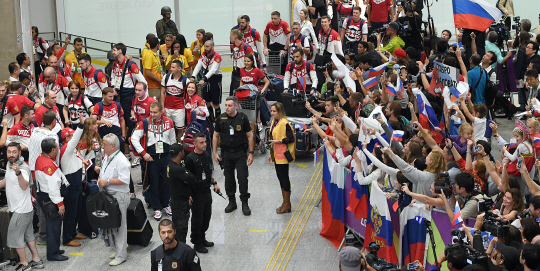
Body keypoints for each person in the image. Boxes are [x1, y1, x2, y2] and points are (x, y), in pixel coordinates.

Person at [0, 142, 44, 271]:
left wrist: (18, 173)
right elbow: (6, 180)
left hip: (21, 210)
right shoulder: (10, 166)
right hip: (22, 209)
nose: (11, 154)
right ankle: (37, 260)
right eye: (9, 152)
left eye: (14, 152)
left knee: (14, 237)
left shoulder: (22, 168)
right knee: (28, 236)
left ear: (20, 153)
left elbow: (25, 186)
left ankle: (24, 264)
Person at [131, 102, 176, 220]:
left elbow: (173, 141)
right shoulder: (145, 122)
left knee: (167, 182)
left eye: (155, 112)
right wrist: (143, 153)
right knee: (154, 183)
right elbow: (134, 139)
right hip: (152, 157)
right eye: (151, 112)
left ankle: (166, 204)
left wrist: (174, 158)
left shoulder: (169, 122)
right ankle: (156, 208)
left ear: (161, 112)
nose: (152, 114)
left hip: (166, 156)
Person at [212, 96, 254, 216]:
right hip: (226, 154)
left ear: (236, 106)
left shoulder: (242, 118)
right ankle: (232, 202)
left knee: (242, 178)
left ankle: (245, 203)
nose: (227, 107)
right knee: (229, 179)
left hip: (240, 153)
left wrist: (251, 153)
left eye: (230, 105)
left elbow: (250, 136)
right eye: (226, 105)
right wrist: (214, 153)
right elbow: (215, 136)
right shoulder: (221, 118)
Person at [97, 133, 131, 266]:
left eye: (104, 144)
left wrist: (108, 181)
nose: (102, 146)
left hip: (119, 197)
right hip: (109, 195)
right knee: (112, 224)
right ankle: (117, 248)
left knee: (120, 226)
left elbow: (124, 179)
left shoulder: (121, 160)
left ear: (112, 146)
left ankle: (121, 255)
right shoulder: (108, 156)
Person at [184, 133, 220, 253]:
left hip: (206, 191)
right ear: (194, 143)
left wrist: (214, 183)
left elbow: (208, 171)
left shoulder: (206, 155)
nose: (204, 144)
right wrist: (188, 195)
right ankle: (197, 242)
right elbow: (185, 178)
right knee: (197, 219)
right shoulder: (190, 159)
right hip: (196, 193)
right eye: (201, 142)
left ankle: (202, 237)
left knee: (206, 216)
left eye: (205, 142)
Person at [111, 42, 147, 154]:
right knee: (120, 121)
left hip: (129, 94)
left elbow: (143, 81)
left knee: (129, 123)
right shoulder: (115, 64)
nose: (113, 52)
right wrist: (113, 88)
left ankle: (136, 150)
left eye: (115, 50)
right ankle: (125, 152)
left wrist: (143, 97)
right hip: (118, 94)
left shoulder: (131, 65)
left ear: (120, 51)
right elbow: (113, 77)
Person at [35, 138, 68, 261]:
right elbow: (53, 187)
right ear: (53, 150)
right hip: (50, 197)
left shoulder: (41, 158)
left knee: (53, 224)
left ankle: (54, 248)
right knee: (54, 226)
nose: (59, 148)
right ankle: (53, 254)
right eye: (57, 146)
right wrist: (60, 204)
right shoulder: (48, 165)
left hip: (44, 195)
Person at [59, 115, 86, 247]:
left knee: (76, 209)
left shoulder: (71, 149)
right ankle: (67, 238)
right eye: (72, 136)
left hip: (76, 181)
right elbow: (76, 138)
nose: (75, 138)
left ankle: (73, 232)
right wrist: (81, 125)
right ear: (67, 138)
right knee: (70, 211)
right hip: (70, 182)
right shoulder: (66, 148)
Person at [267, 102, 295, 214]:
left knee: (284, 178)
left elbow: (291, 139)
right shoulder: (275, 121)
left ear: (280, 112)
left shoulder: (284, 123)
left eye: (275, 111)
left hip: (283, 155)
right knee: (280, 178)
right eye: (271, 111)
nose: (272, 113)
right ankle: (285, 202)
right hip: (277, 155)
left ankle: (287, 203)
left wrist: (278, 141)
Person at [167, 142, 197, 243]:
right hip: (180, 205)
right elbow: (192, 178)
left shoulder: (172, 165)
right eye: (183, 150)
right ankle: (180, 254)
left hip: (178, 201)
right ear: (180, 153)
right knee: (181, 231)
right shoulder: (177, 169)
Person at [191, 40, 223, 122]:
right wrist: (193, 76)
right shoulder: (203, 55)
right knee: (207, 101)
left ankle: (218, 121)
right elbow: (198, 65)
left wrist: (204, 78)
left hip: (215, 78)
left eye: (207, 46)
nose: (205, 48)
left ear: (212, 47)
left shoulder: (217, 56)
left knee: (216, 103)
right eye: (205, 46)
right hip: (205, 78)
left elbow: (213, 70)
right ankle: (211, 120)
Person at [92, 87, 127, 155]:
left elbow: (122, 120)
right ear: (104, 96)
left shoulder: (118, 105)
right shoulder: (98, 106)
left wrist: (123, 136)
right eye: (110, 96)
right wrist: (104, 122)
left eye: (113, 96)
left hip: (117, 132)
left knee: (120, 153)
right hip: (103, 132)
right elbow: (93, 121)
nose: (112, 98)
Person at [161, 59, 188, 142]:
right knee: (167, 128)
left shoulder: (186, 80)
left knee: (180, 129)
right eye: (171, 67)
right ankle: (168, 145)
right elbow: (162, 92)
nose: (171, 69)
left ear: (179, 68)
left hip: (179, 108)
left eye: (173, 67)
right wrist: (162, 107)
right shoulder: (166, 77)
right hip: (167, 108)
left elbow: (188, 96)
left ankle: (179, 144)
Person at [263, 11, 291, 75]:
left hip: (282, 46)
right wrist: (265, 47)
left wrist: (285, 49)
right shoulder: (269, 24)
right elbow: (265, 35)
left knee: (283, 66)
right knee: (272, 66)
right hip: (272, 47)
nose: (273, 20)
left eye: (275, 18)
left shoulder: (284, 24)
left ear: (279, 18)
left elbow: (289, 36)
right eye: (272, 18)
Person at [230, 29, 256, 96]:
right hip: (235, 72)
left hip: (244, 73)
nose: (229, 38)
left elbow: (254, 62)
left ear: (235, 37)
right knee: (232, 94)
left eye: (231, 36)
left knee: (241, 95)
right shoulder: (233, 48)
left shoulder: (247, 48)